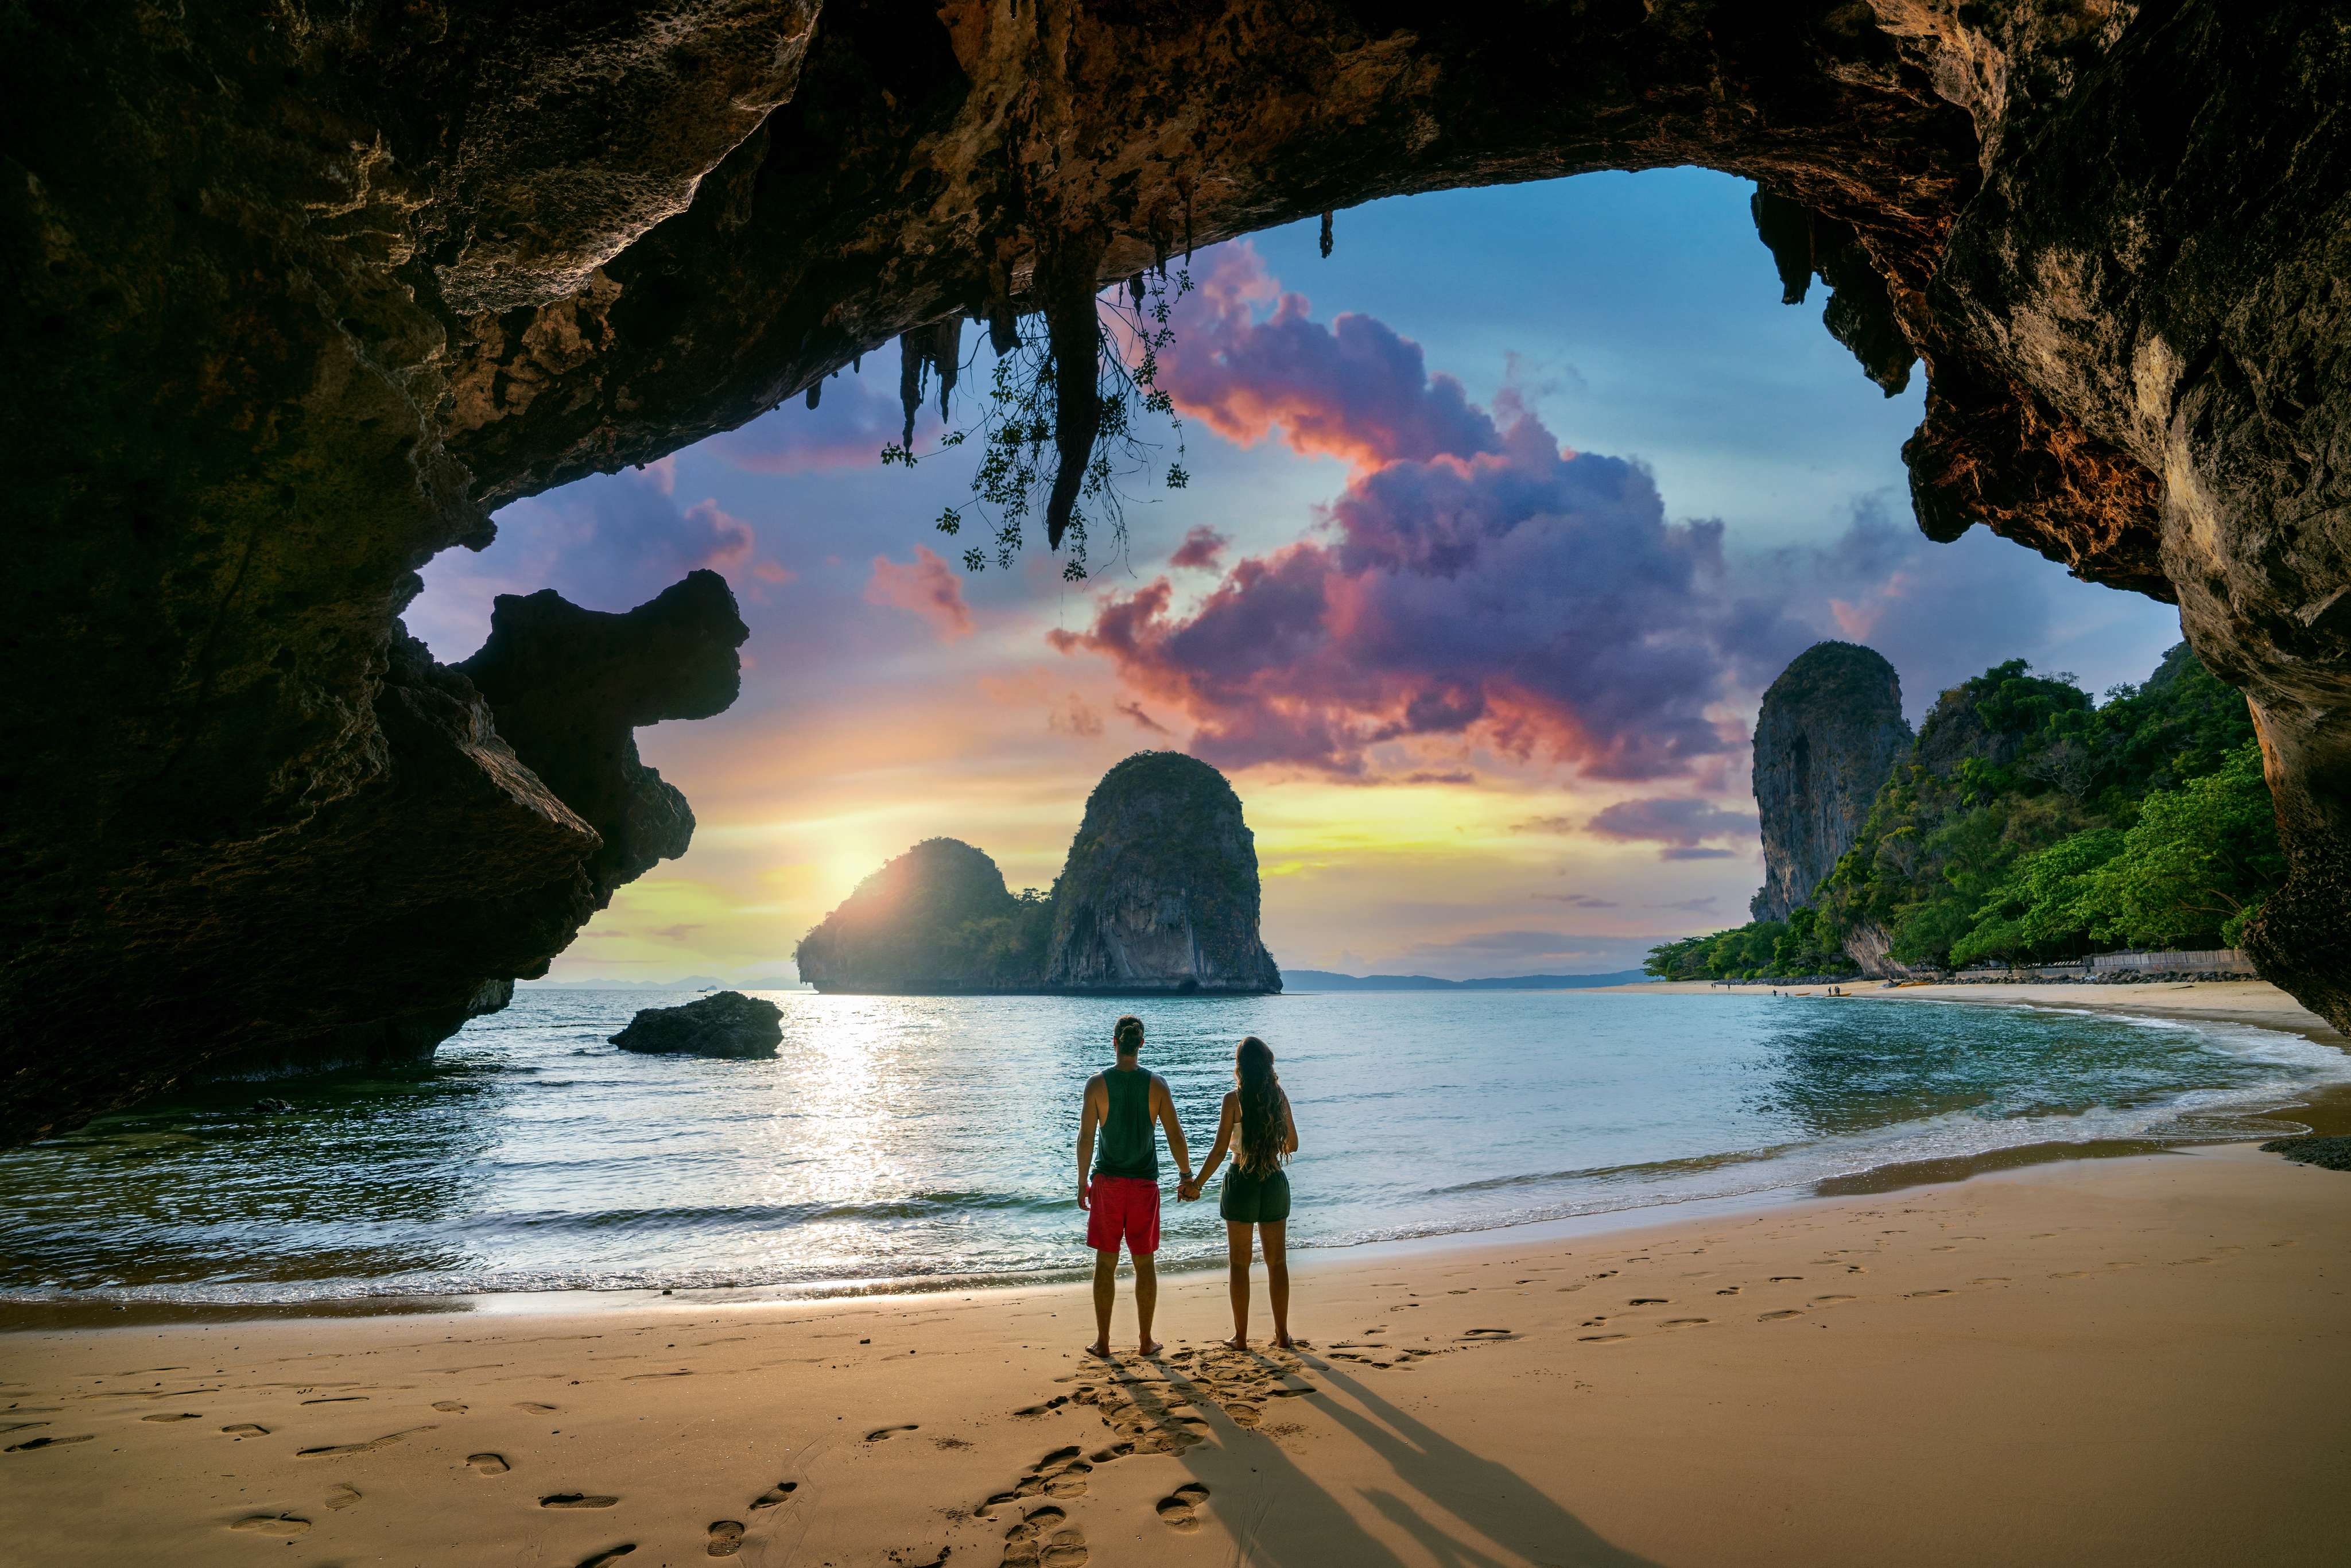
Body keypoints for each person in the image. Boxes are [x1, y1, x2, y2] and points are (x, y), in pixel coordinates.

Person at [1076, 1014, 1193, 1359]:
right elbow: (1175, 1135)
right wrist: (1186, 1176)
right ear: (1141, 1044)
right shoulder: (1156, 1085)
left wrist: (1082, 1180)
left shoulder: (1096, 1085)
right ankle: (1145, 1341)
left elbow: (1086, 1138)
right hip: (1144, 1187)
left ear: (1114, 1043)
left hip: (1108, 1185)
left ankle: (1103, 1343)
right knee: (1144, 1264)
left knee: (1106, 1264)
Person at [1181, 1036, 1299, 1349]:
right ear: (1268, 1066)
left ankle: (1242, 1338)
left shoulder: (1234, 1100)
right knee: (1277, 1263)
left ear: (1240, 1067)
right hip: (1273, 1180)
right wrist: (1268, 1140)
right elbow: (1292, 1145)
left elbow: (1220, 1150)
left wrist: (1196, 1185)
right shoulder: (1279, 1097)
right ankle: (1282, 1335)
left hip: (1241, 1182)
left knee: (1239, 1264)